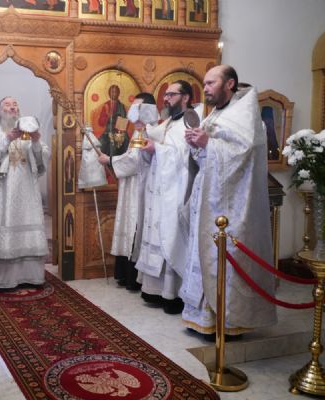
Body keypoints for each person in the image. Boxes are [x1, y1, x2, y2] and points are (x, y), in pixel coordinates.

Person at [180, 65, 277, 336]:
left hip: (230, 206)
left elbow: (242, 155)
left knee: (224, 258)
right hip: (208, 197)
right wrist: (197, 145)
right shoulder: (216, 114)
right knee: (203, 255)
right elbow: (206, 159)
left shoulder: (245, 116)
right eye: (205, 83)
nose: (206, 89)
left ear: (229, 84)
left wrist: (208, 144)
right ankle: (202, 318)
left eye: (211, 83)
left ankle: (229, 322)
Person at [135, 81, 197, 314]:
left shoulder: (190, 121)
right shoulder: (170, 122)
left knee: (171, 236)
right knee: (157, 234)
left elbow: (186, 156)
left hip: (177, 190)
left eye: (171, 94)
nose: (166, 98)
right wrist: (146, 138)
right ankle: (155, 290)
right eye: (166, 94)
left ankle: (172, 294)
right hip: (160, 188)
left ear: (185, 97)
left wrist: (157, 149)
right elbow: (157, 141)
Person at [0, 97, 50, 290]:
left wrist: (36, 142)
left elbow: (42, 159)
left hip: (27, 190)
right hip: (4, 190)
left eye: (15, 105)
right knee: (6, 224)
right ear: (0, 111)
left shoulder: (29, 130)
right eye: (7, 105)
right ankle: (4, 279)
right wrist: (7, 139)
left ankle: (31, 277)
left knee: (28, 226)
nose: (12, 107)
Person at [98, 92, 157, 291]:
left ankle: (133, 277)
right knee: (128, 223)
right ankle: (125, 275)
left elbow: (135, 160)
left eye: (138, 107)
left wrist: (110, 160)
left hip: (140, 186)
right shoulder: (140, 131)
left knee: (134, 226)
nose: (134, 111)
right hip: (131, 184)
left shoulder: (149, 131)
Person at [97, 84, 129, 157]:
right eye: (112, 92)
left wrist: (120, 129)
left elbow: (124, 119)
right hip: (108, 130)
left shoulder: (121, 106)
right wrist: (108, 117)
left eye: (116, 92)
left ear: (118, 93)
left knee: (126, 141)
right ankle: (106, 161)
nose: (114, 94)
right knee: (101, 144)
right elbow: (100, 122)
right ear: (109, 93)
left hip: (119, 130)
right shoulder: (106, 105)